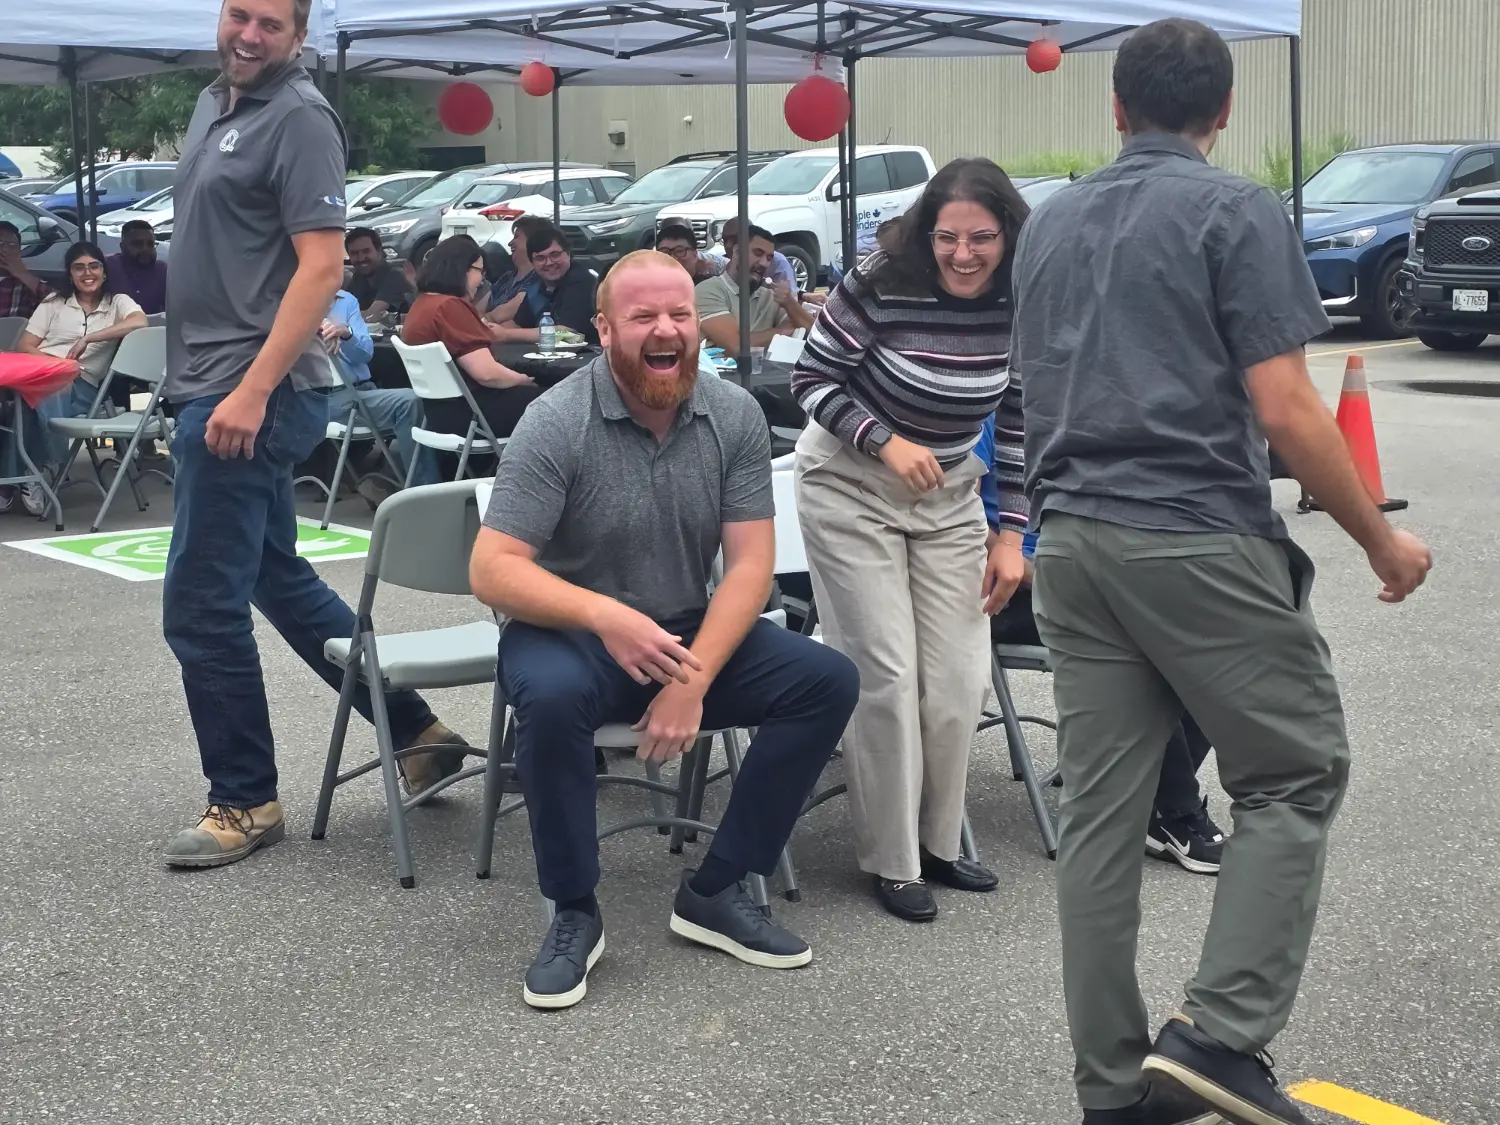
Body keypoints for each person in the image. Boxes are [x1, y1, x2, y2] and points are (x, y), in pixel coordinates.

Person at [1010, 20, 1433, 1125]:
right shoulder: (1234, 210)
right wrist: (1381, 541)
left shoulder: (1049, 224)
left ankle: (1111, 1090)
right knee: (1294, 772)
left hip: (1074, 543)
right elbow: (1287, 406)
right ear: (1223, 113)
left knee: (1099, 820)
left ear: (1114, 108)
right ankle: (1221, 1035)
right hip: (1191, 530)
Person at [470, 250, 859, 1010]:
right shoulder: (556, 421)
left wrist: (692, 678)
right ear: (605, 327)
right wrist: (607, 616)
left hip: (682, 629)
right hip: (568, 629)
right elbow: (492, 569)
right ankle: (575, 910)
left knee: (826, 681)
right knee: (548, 704)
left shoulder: (734, 413)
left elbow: (750, 567)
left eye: (679, 314)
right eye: (644, 316)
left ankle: (716, 888)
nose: (667, 329)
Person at [159, 0, 472, 870]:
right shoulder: (215, 103)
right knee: (273, 576)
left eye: (269, 23)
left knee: (199, 604)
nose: (247, 35)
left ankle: (245, 797)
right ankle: (418, 730)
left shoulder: (298, 117)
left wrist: (252, 390)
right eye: (237, 16)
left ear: (300, 37)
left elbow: (323, 267)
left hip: (248, 390)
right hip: (216, 381)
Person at [791, 158, 1030, 922]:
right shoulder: (883, 280)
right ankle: (891, 859)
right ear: (926, 234)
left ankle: (941, 841)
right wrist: (883, 439)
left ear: (1008, 236)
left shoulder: (1023, 294)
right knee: (887, 675)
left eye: (982, 238)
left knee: (960, 675)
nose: (963, 255)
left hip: (952, 493)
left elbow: (1021, 414)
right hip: (851, 484)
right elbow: (811, 378)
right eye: (947, 238)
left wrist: (1012, 534)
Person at [974, 416, 1228, 876]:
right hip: (1008, 586)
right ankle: (1175, 811)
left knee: (1218, 634)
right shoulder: (989, 410)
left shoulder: (1080, 406)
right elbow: (963, 517)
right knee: (1137, 643)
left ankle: (1148, 800)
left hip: (1089, 573)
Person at [1, 242, 147, 516]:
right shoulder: (55, 302)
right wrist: (55, 364)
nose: (87, 273)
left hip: (83, 385)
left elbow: (140, 322)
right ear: (70, 275)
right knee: (30, 397)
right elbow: (26, 345)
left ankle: (25, 477)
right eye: (79, 268)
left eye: (94, 266)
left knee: (35, 399)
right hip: (41, 373)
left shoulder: (117, 302)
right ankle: (39, 473)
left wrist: (89, 339)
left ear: (104, 272)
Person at [400, 234, 540, 441]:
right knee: (560, 402)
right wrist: (523, 379)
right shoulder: (450, 307)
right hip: (471, 415)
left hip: (439, 413)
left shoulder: (422, 304)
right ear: (460, 269)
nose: (482, 279)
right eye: (479, 271)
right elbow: (487, 374)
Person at [319, 288, 437, 498]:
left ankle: (388, 483)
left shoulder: (346, 300)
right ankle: (425, 496)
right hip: (326, 397)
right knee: (409, 403)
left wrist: (347, 334)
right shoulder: (287, 301)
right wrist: (316, 333)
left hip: (361, 391)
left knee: (417, 404)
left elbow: (366, 353)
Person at [696, 223, 814, 353]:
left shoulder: (770, 296)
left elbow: (816, 335)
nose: (764, 263)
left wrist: (790, 302)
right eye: (758, 253)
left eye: (769, 258)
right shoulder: (707, 290)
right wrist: (781, 331)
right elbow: (736, 346)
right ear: (737, 252)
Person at [489, 222, 600, 346]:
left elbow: (567, 332)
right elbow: (517, 324)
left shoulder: (582, 281)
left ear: (568, 254)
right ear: (532, 262)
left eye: (555, 255)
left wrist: (505, 334)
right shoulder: (538, 286)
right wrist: (488, 330)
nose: (549, 263)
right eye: (540, 258)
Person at [720, 216, 826, 307]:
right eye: (725, 240)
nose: (728, 245)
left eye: (734, 239)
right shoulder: (720, 265)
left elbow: (787, 300)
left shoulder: (778, 263)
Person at [481, 214, 550, 331]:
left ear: (532, 241)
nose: (510, 243)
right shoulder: (507, 278)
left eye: (516, 237)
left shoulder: (540, 279)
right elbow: (479, 310)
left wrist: (480, 321)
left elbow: (503, 314)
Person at [345, 227, 415, 320]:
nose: (361, 258)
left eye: (366, 251)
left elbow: (371, 315)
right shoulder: (359, 277)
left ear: (379, 251)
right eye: (354, 253)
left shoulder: (395, 275)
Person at [106, 220, 169, 315]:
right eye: (138, 244)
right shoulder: (108, 267)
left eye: (150, 244)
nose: (145, 249)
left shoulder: (162, 270)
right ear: (122, 247)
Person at [0, 220, 50, 319]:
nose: (5, 250)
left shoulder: (27, 285)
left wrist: (22, 274)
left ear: (19, 251)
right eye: (0, 244)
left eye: (11, 245)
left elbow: (57, 304)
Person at [655, 221, 726, 283]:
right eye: (665, 252)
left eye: (679, 251)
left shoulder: (710, 289)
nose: (673, 258)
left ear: (695, 255)